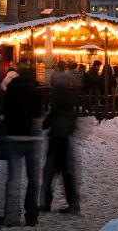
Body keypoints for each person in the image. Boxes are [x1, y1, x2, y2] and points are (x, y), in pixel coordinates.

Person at [0, 65, 42, 227]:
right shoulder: (36, 90)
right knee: (34, 179)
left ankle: (11, 216)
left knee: (14, 179)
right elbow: (39, 112)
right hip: (33, 136)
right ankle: (31, 215)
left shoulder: (12, 89)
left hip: (15, 135)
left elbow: (5, 111)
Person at [40, 71, 80, 215]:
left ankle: (46, 203)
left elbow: (54, 111)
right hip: (64, 136)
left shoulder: (58, 93)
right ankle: (73, 203)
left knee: (49, 171)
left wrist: (46, 122)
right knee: (66, 173)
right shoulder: (68, 95)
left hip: (57, 137)